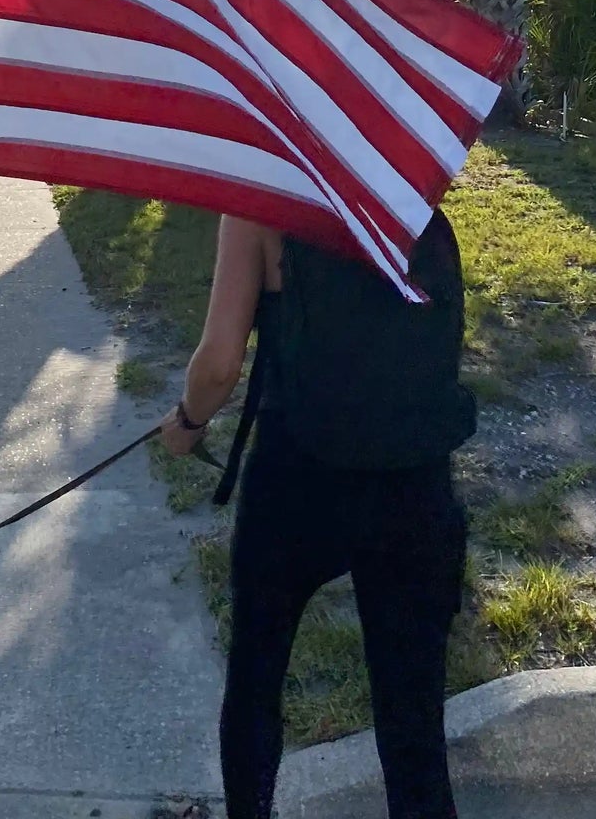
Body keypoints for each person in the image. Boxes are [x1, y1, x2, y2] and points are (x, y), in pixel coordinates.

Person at [160, 211, 473, 819]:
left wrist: (187, 425)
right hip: (414, 484)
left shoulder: (260, 203)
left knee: (256, 680)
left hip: (295, 482)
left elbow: (220, 363)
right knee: (414, 729)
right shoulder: (411, 182)